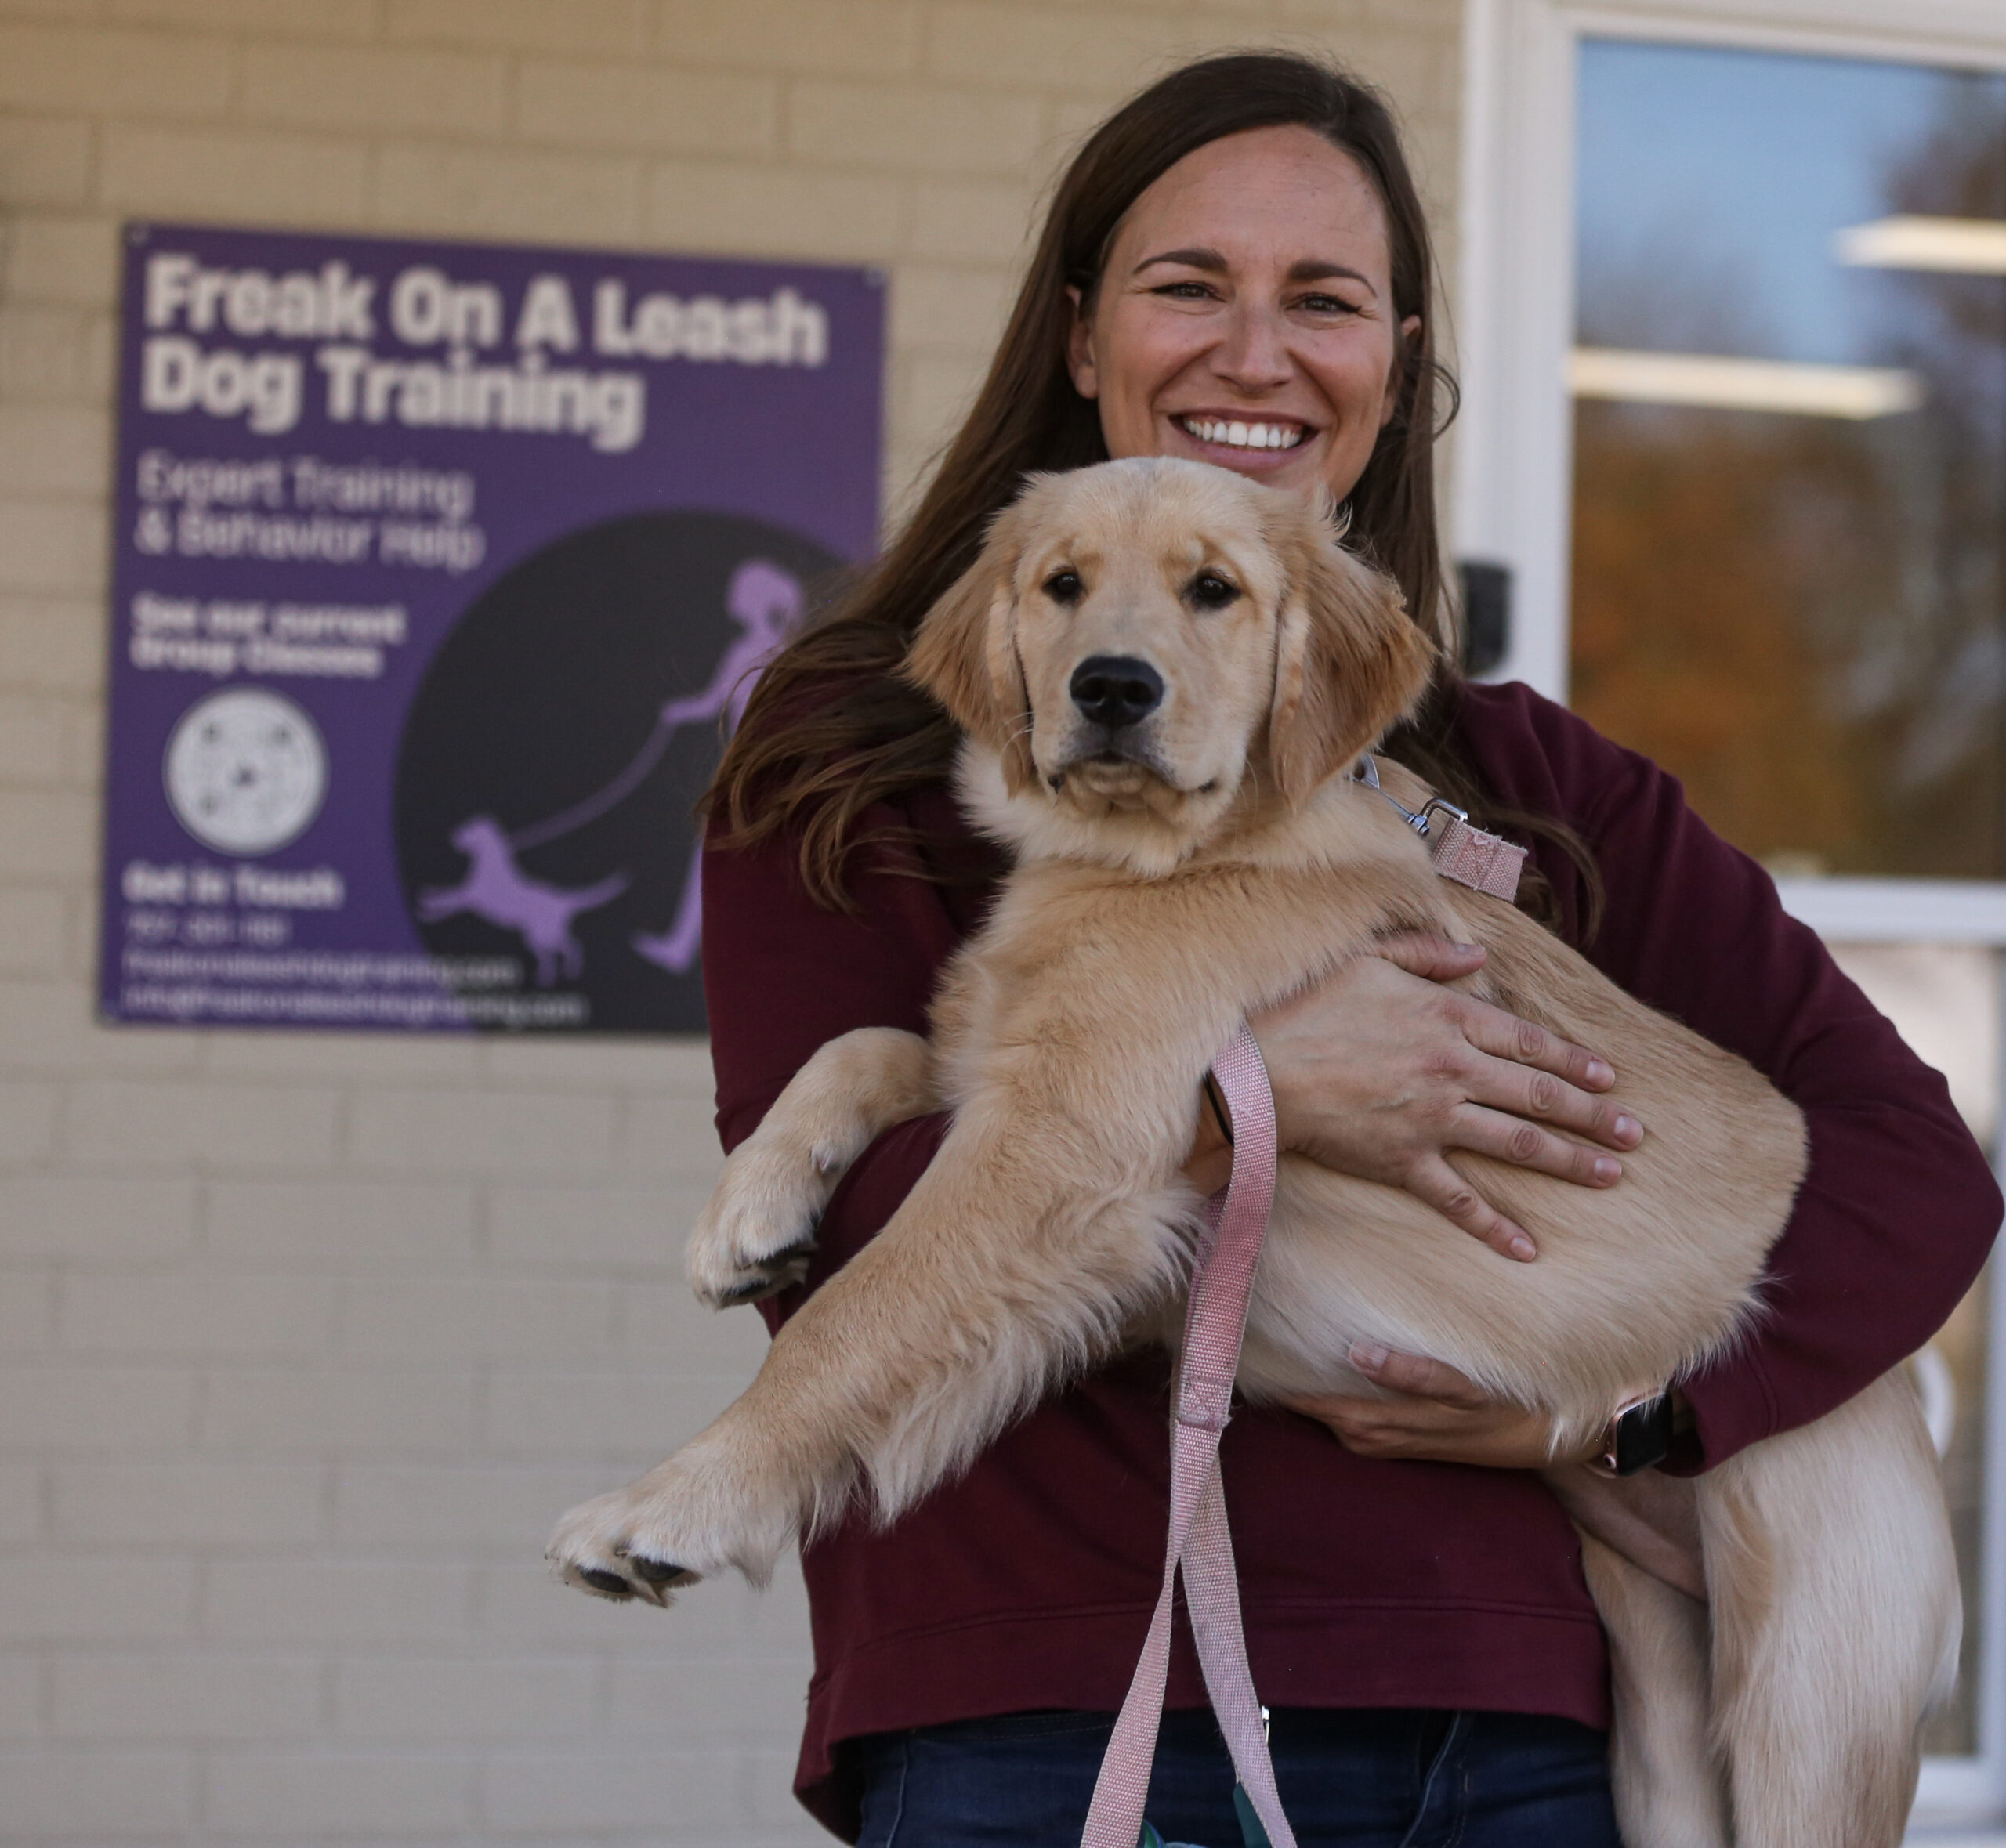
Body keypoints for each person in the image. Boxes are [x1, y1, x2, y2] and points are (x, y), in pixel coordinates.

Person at [697, 52, 2001, 1847]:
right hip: (1056, 1720)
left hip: (1521, 1735)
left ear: (1394, 365)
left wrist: (1629, 1423)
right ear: (1078, 337)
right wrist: (1243, 1106)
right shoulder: (855, 745)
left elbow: (1913, 1174)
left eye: (1322, 300)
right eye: (1186, 287)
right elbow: (826, 1246)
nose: (1256, 352)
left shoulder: (1530, 780)